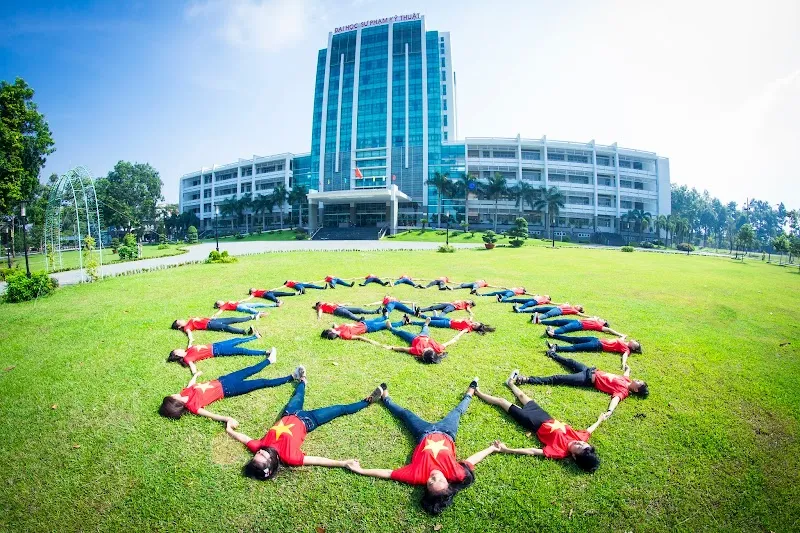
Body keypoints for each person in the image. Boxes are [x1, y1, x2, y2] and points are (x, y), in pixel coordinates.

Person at [346, 380, 501, 515]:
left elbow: (388, 473)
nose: (434, 476)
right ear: (448, 481)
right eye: (439, 479)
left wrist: (361, 470)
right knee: (457, 411)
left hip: (423, 432)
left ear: (426, 487)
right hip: (447, 431)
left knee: (405, 414)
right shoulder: (456, 473)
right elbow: (472, 460)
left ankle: (385, 398)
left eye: (431, 482)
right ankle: (470, 392)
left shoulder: (416, 476)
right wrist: (491, 449)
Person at [225, 375, 385, 480]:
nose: (260, 452)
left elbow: (244, 438)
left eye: (256, 455)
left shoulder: (259, 446)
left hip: (289, 413)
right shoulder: (290, 457)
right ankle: (368, 401)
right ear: (271, 462)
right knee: (340, 409)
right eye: (262, 456)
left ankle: (302, 380)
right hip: (308, 420)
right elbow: (316, 460)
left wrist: (230, 430)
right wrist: (342, 463)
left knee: (298, 395)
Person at [473, 371, 607, 472]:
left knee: (502, 401)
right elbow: (589, 430)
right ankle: (510, 383)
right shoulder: (580, 438)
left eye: (579, 447)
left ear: (574, 456)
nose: (579, 442)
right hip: (545, 416)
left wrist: (507, 450)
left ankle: (478, 392)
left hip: (532, 422)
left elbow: (533, 451)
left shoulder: (560, 451)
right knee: (522, 396)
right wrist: (599, 420)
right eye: (583, 444)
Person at [158, 349, 301, 421]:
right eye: (171, 397)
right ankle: (291, 377)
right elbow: (210, 415)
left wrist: (195, 376)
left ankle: (270, 360)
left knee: (249, 370)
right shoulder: (192, 406)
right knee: (262, 382)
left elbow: (191, 385)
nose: (172, 394)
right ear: (174, 402)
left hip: (223, 380)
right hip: (229, 389)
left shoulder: (184, 393)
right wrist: (226, 419)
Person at [516, 352, 649, 416]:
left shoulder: (623, 391)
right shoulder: (627, 380)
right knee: (570, 361)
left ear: (636, 390)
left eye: (638, 382)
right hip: (590, 370)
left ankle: (527, 379)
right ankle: (552, 353)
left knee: (558, 378)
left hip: (587, 379)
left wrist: (609, 411)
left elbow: (616, 399)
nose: (637, 379)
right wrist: (627, 367)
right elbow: (627, 373)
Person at [168, 329, 268, 374]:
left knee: (236, 340)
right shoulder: (187, 358)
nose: (179, 348)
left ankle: (255, 337)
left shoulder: (188, 350)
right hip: (216, 350)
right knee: (241, 350)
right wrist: (195, 373)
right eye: (177, 350)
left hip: (215, 345)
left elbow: (190, 343)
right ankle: (264, 352)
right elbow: (191, 365)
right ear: (177, 354)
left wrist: (190, 338)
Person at [380, 317, 467, 364]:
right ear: (432, 350)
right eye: (425, 350)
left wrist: (391, 347)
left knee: (401, 332)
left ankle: (390, 328)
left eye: (423, 352)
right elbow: (450, 342)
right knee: (425, 328)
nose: (423, 349)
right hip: (425, 335)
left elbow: (403, 349)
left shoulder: (417, 351)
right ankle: (426, 323)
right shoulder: (438, 348)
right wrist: (461, 333)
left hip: (414, 338)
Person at [545, 334, 642, 369]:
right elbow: (621, 338)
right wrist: (624, 336)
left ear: (633, 348)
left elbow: (625, 355)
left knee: (575, 347)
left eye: (635, 343)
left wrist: (624, 364)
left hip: (597, 345)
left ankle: (556, 347)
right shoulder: (624, 341)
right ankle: (553, 335)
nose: (634, 341)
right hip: (596, 339)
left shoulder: (627, 349)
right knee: (574, 339)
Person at [171, 316, 255, 343]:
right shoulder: (187, 327)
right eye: (180, 322)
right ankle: (245, 332)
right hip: (209, 325)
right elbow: (189, 333)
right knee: (226, 327)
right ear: (179, 326)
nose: (182, 320)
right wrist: (191, 340)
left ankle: (251, 317)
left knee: (232, 319)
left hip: (212, 320)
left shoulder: (189, 321)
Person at [321, 316, 409, 341]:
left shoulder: (337, 329)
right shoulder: (344, 335)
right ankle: (402, 322)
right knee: (385, 325)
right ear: (331, 332)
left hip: (363, 323)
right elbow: (358, 337)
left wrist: (333, 325)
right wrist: (370, 341)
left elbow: (335, 324)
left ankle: (385, 316)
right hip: (368, 327)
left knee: (376, 319)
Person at [407, 316, 495, 335]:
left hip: (447, 324)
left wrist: (457, 337)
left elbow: (462, 332)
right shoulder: (470, 322)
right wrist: (471, 315)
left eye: (475, 325)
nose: (474, 324)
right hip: (449, 319)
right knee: (433, 317)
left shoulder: (468, 328)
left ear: (475, 329)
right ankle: (420, 314)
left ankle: (411, 322)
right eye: (476, 323)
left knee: (430, 322)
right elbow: (470, 318)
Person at [541, 319, 624, 337]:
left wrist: (620, 334)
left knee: (565, 328)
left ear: (604, 323)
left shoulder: (599, 326)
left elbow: (609, 330)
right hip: (576, 321)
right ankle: (540, 321)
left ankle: (552, 332)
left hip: (579, 325)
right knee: (558, 321)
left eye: (603, 320)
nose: (601, 319)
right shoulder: (595, 320)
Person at [313, 301, 382, 321]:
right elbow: (320, 312)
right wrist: (319, 317)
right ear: (318, 305)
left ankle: (376, 311)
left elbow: (338, 304)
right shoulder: (321, 307)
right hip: (336, 310)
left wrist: (346, 304)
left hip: (340, 307)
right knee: (348, 314)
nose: (321, 302)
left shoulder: (327, 303)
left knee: (359, 309)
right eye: (319, 303)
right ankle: (358, 319)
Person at [513, 303, 586, 320]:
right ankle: (520, 310)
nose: (577, 305)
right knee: (537, 309)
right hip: (555, 307)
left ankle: (537, 318)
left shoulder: (574, 311)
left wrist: (591, 317)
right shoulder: (570, 306)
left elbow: (581, 314)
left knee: (547, 314)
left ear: (578, 309)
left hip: (558, 310)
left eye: (578, 306)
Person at [213, 299, 279, 317]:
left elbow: (236, 302)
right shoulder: (223, 306)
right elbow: (220, 311)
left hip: (241, 304)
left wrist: (241, 301)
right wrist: (214, 316)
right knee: (249, 310)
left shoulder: (226, 303)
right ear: (219, 305)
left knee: (257, 304)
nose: (221, 301)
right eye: (219, 302)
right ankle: (260, 313)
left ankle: (274, 305)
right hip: (239, 307)